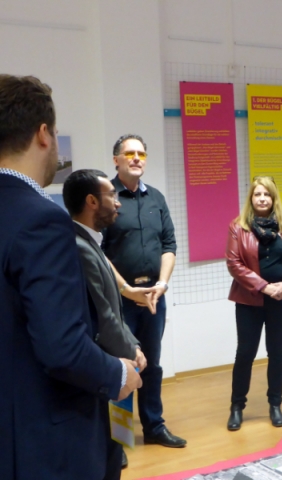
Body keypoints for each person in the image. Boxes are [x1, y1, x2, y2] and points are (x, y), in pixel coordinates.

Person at [0, 74, 141, 480]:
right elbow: (61, 346)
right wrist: (118, 373)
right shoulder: (41, 220)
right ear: (44, 134)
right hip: (41, 437)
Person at [63, 168, 155, 471]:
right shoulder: (80, 248)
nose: (117, 202)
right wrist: (131, 351)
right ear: (92, 201)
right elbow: (103, 316)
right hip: (105, 366)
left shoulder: (91, 241)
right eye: (111, 195)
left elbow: (114, 309)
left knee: (117, 445)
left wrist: (133, 344)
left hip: (118, 358)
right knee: (109, 453)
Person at [102, 134, 186, 448]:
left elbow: (169, 245)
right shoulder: (106, 197)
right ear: (116, 160)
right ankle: (120, 439)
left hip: (154, 298)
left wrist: (161, 285)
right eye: (129, 153)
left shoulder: (156, 199)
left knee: (152, 363)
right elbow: (99, 253)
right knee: (123, 365)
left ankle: (153, 426)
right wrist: (126, 290)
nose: (136, 158)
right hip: (120, 299)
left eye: (141, 154)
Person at [225, 176, 282, 431]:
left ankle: (275, 404)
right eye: (257, 194)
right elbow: (234, 263)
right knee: (245, 353)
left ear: (273, 198)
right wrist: (264, 286)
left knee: (277, 351)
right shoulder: (238, 227)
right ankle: (237, 406)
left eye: (267, 194)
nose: (262, 199)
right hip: (249, 300)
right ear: (251, 198)